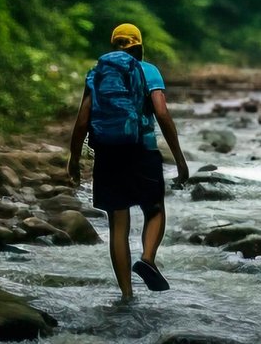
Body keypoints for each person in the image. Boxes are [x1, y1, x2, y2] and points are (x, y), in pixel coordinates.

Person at [67, 23, 189, 300]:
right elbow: (161, 112)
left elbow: (83, 120)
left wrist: (73, 159)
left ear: (114, 46)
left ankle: (126, 294)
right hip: (142, 150)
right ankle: (147, 258)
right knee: (155, 208)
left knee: (117, 225)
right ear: (139, 45)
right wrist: (179, 159)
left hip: (108, 153)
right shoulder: (148, 70)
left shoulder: (97, 73)